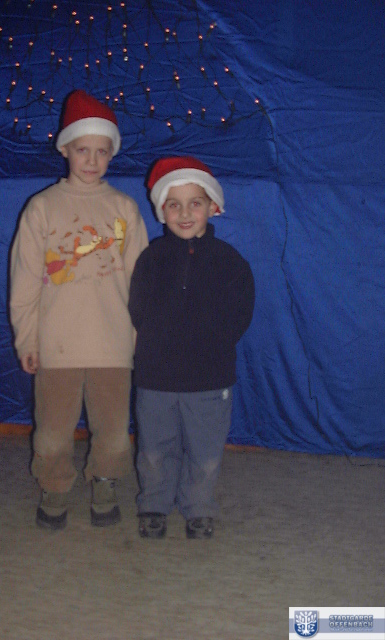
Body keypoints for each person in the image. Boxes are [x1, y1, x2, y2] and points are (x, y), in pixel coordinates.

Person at [10, 90, 148, 530]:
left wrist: (139, 338)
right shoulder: (42, 208)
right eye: (83, 150)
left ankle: (105, 482)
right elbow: (25, 281)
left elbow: (142, 282)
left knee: (113, 428)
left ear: (112, 154)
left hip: (113, 344)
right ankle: (54, 486)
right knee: (53, 430)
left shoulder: (124, 208)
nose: (92, 160)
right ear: (65, 148)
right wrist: (27, 339)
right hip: (58, 344)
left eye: (102, 152)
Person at [128, 156, 254, 539]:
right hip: (156, 378)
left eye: (194, 203)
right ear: (161, 210)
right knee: (154, 448)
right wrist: (155, 346)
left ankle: (199, 506)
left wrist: (212, 345)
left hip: (209, 379)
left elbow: (240, 313)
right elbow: (137, 309)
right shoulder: (150, 259)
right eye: (174, 205)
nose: (184, 214)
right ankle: (154, 503)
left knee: (205, 451)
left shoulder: (230, 262)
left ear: (213, 206)